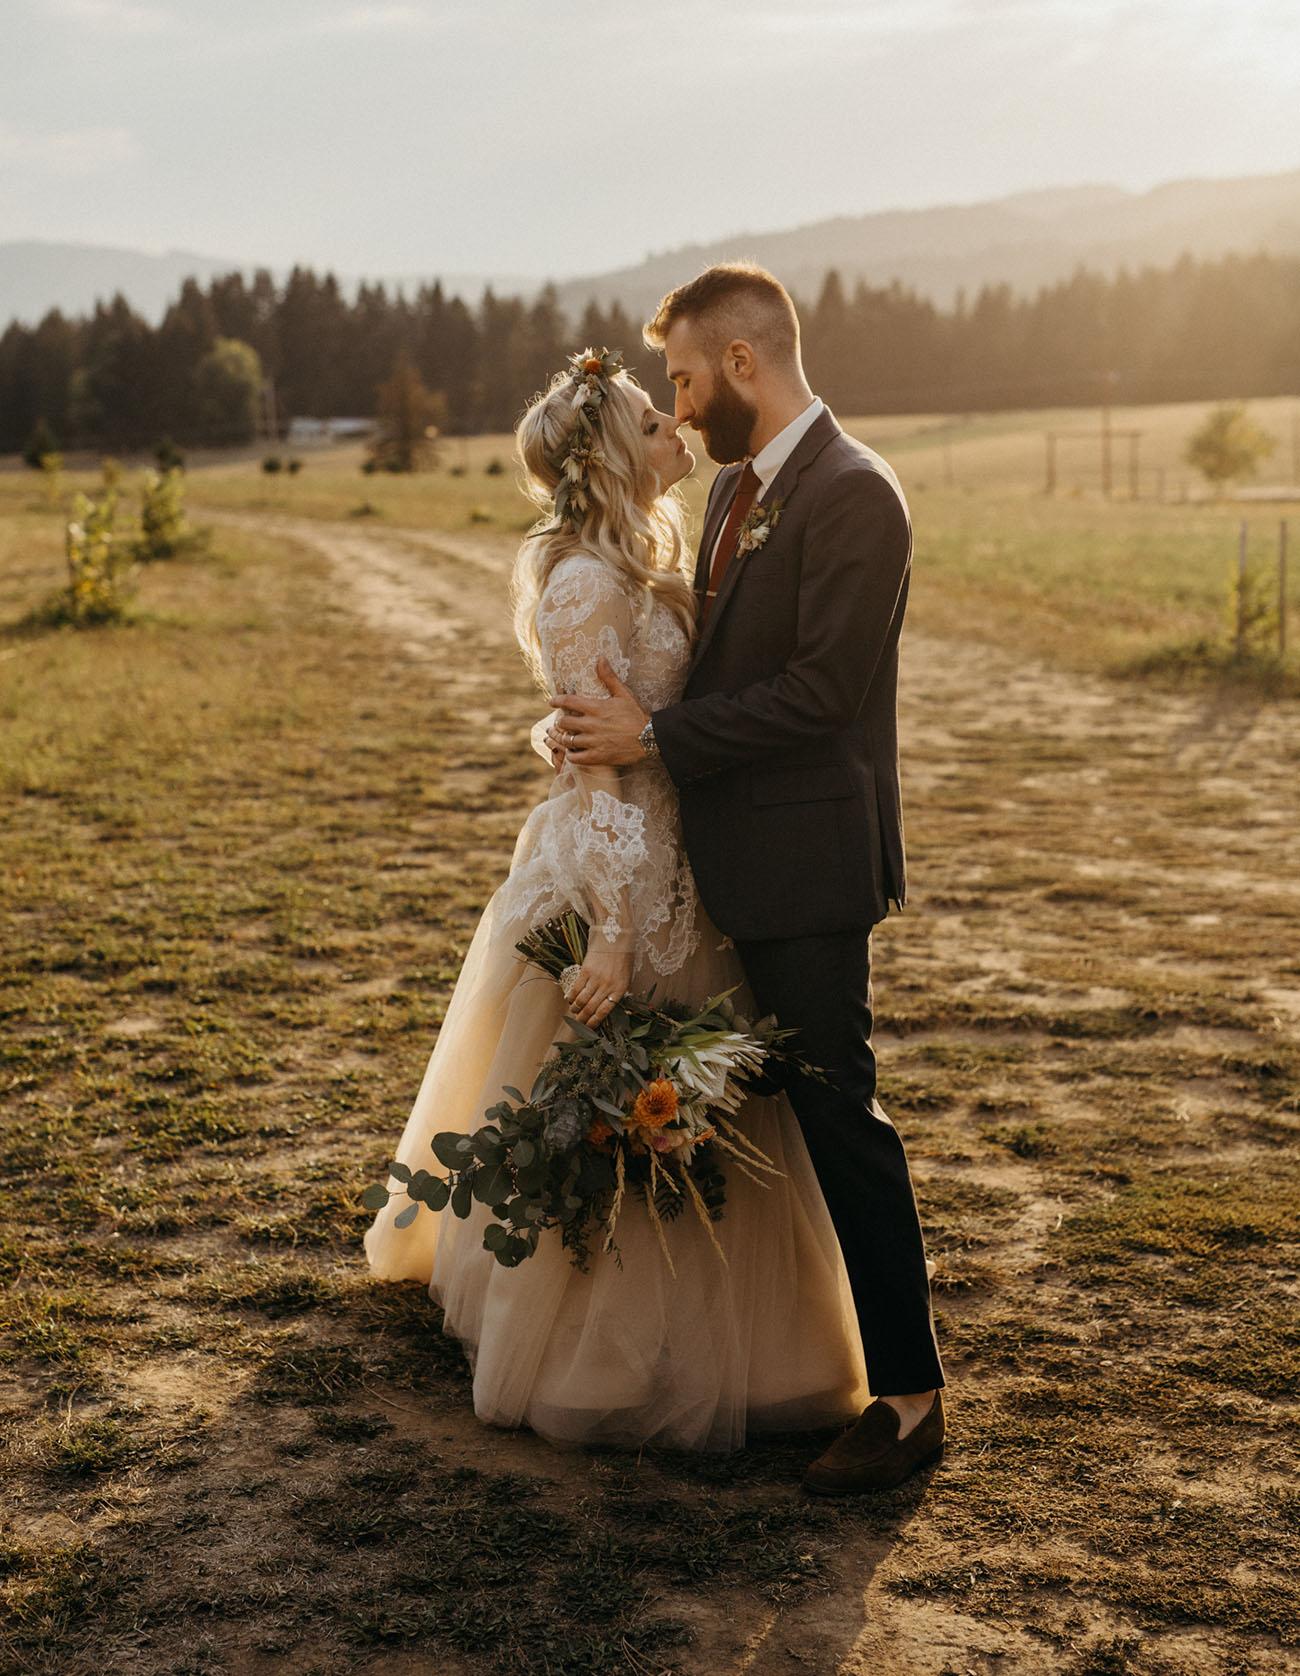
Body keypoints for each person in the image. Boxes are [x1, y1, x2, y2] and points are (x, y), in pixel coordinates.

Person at [364, 348, 873, 1457]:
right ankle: (593, 1349)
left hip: (686, 848)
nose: (675, 426)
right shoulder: (586, 581)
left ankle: (734, 1340)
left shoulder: (646, 555)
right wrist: (610, 923)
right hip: (614, 863)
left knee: (702, 1098)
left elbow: (616, 717)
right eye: (653, 420)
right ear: (612, 455)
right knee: (612, 1090)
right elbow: (594, 768)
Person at [545, 266, 946, 1495]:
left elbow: (822, 696)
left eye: (679, 377)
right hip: (727, 866)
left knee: (838, 1108)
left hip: (809, 861)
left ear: (740, 366)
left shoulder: (855, 495)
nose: (673, 401)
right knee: (760, 1108)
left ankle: (913, 1398)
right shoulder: (733, 494)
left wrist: (653, 743)